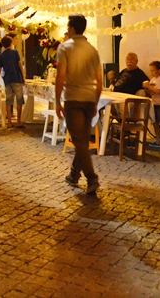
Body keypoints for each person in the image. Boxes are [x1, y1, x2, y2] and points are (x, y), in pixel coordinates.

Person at [56, 14, 102, 195]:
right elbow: (99, 81)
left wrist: (57, 101)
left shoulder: (65, 48)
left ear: (72, 29)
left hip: (73, 98)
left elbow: (60, 76)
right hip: (89, 98)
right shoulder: (93, 50)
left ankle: (92, 178)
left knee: (79, 141)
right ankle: (74, 175)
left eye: (68, 27)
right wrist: (96, 102)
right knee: (82, 140)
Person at [0, 36, 26, 127]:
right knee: (19, 99)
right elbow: (20, 64)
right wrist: (23, 77)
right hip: (17, 78)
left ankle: (9, 122)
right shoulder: (15, 52)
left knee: (9, 100)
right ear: (11, 43)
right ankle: (19, 121)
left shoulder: (1, 56)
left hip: (7, 80)